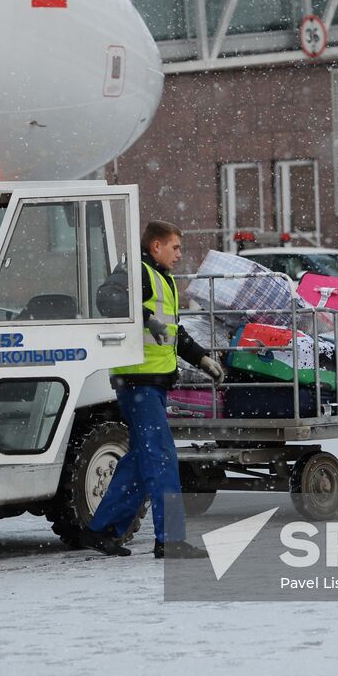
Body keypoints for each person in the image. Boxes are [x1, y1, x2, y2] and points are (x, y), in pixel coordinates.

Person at [80, 221, 225, 560]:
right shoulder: (137, 272)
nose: (179, 254)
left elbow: (174, 332)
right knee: (162, 459)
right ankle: (170, 540)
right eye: (174, 247)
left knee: (140, 461)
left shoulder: (162, 279)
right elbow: (107, 297)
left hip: (151, 384)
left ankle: (101, 530)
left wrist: (202, 359)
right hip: (138, 384)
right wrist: (146, 319)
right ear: (156, 246)